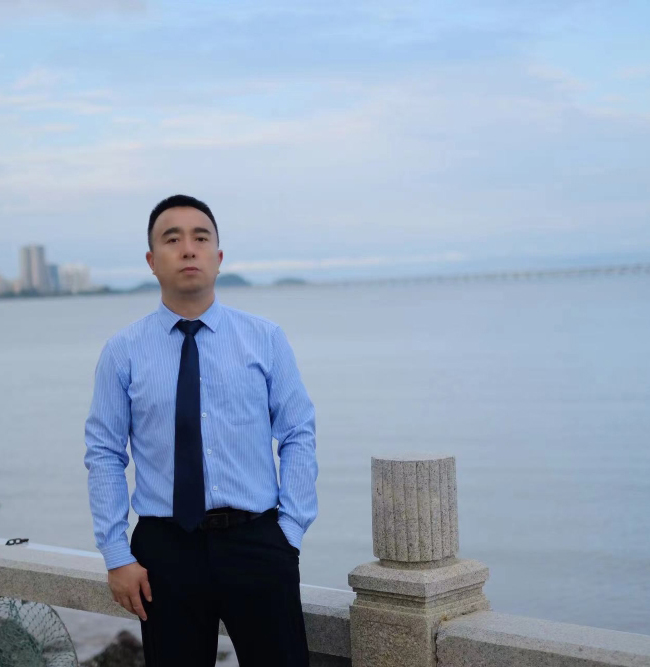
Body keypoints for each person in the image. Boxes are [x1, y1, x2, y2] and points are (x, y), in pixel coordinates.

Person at [84, 194, 318, 666]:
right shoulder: (122, 351)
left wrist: (289, 532)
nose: (188, 249)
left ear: (218, 256)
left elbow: (298, 432)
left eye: (200, 238)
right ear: (152, 261)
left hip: (257, 542)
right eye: (172, 239)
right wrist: (115, 553)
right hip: (164, 553)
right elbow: (105, 452)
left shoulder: (265, 339)